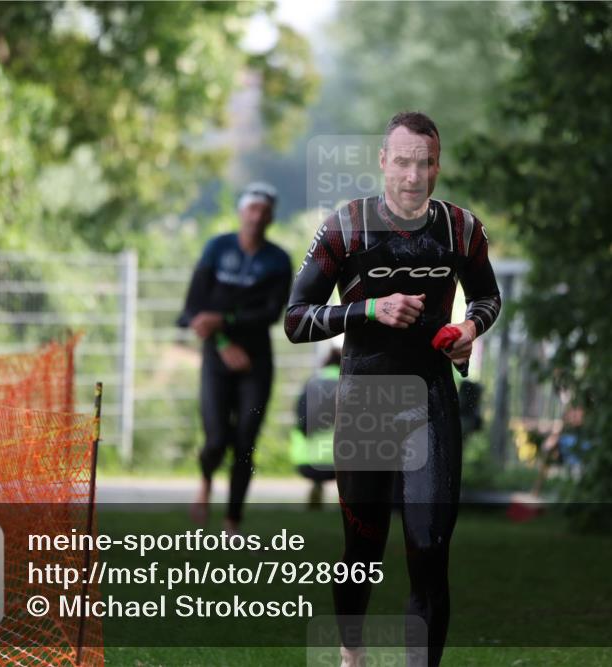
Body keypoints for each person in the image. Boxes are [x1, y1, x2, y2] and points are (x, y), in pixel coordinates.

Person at [284, 112, 502, 667]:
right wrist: (369, 309)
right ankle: (351, 650)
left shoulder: (461, 229)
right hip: (364, 402)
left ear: (436, 166)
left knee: (429, 550)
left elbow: (487, 299)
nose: (412, 175)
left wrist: (468, 329)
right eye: (402, 161)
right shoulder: (347, 227)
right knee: (363, 551)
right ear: (383, 162)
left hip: (429, 401)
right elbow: (295, 319)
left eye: (424, 163)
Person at [178, 182, 292, 535]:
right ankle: (206, 479)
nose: (257, 216)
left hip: (256, 361)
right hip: (217, 357)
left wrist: (225, 319)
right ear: (241, 212)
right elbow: (192, 311)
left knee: (245, 440)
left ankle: (232, 521)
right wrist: (224, 340)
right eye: (252, 208)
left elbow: (272, 312)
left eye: (264, 210)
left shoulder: (278, 260)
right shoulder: (217, 248)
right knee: (216, 438)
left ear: (271, 216)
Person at [290, 347, 341, 508]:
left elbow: (300, 420)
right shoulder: (349, 384)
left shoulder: (311, 383)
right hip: (341, 463)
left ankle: (316, 487)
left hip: (305, 461)